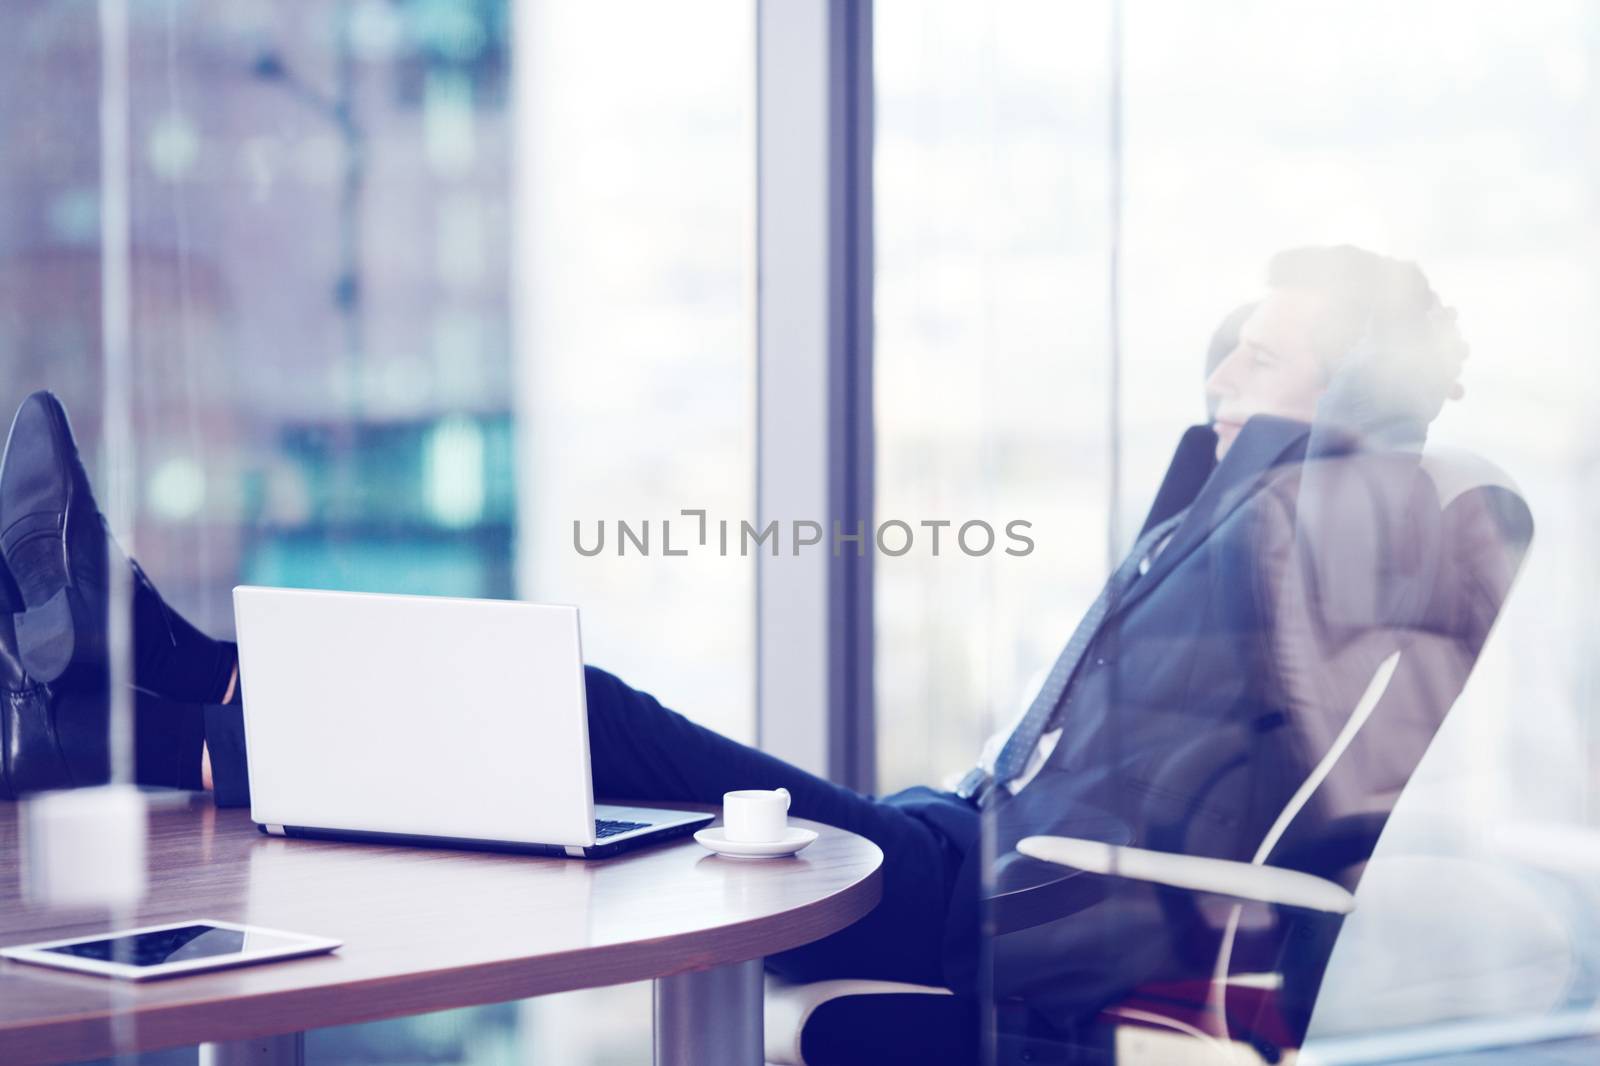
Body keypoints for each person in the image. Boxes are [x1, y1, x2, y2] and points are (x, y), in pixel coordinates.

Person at [0, 246, 1479, 1058]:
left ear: (1346, 397)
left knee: (583, 713)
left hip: (1006, 917)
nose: (1218, 376)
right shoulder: (1238, 522)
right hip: (970, 850)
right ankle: (174, 689)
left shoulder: (1336, 520)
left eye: (1263, 356)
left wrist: (1355, 392)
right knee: (586, 766)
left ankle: (134, 713)